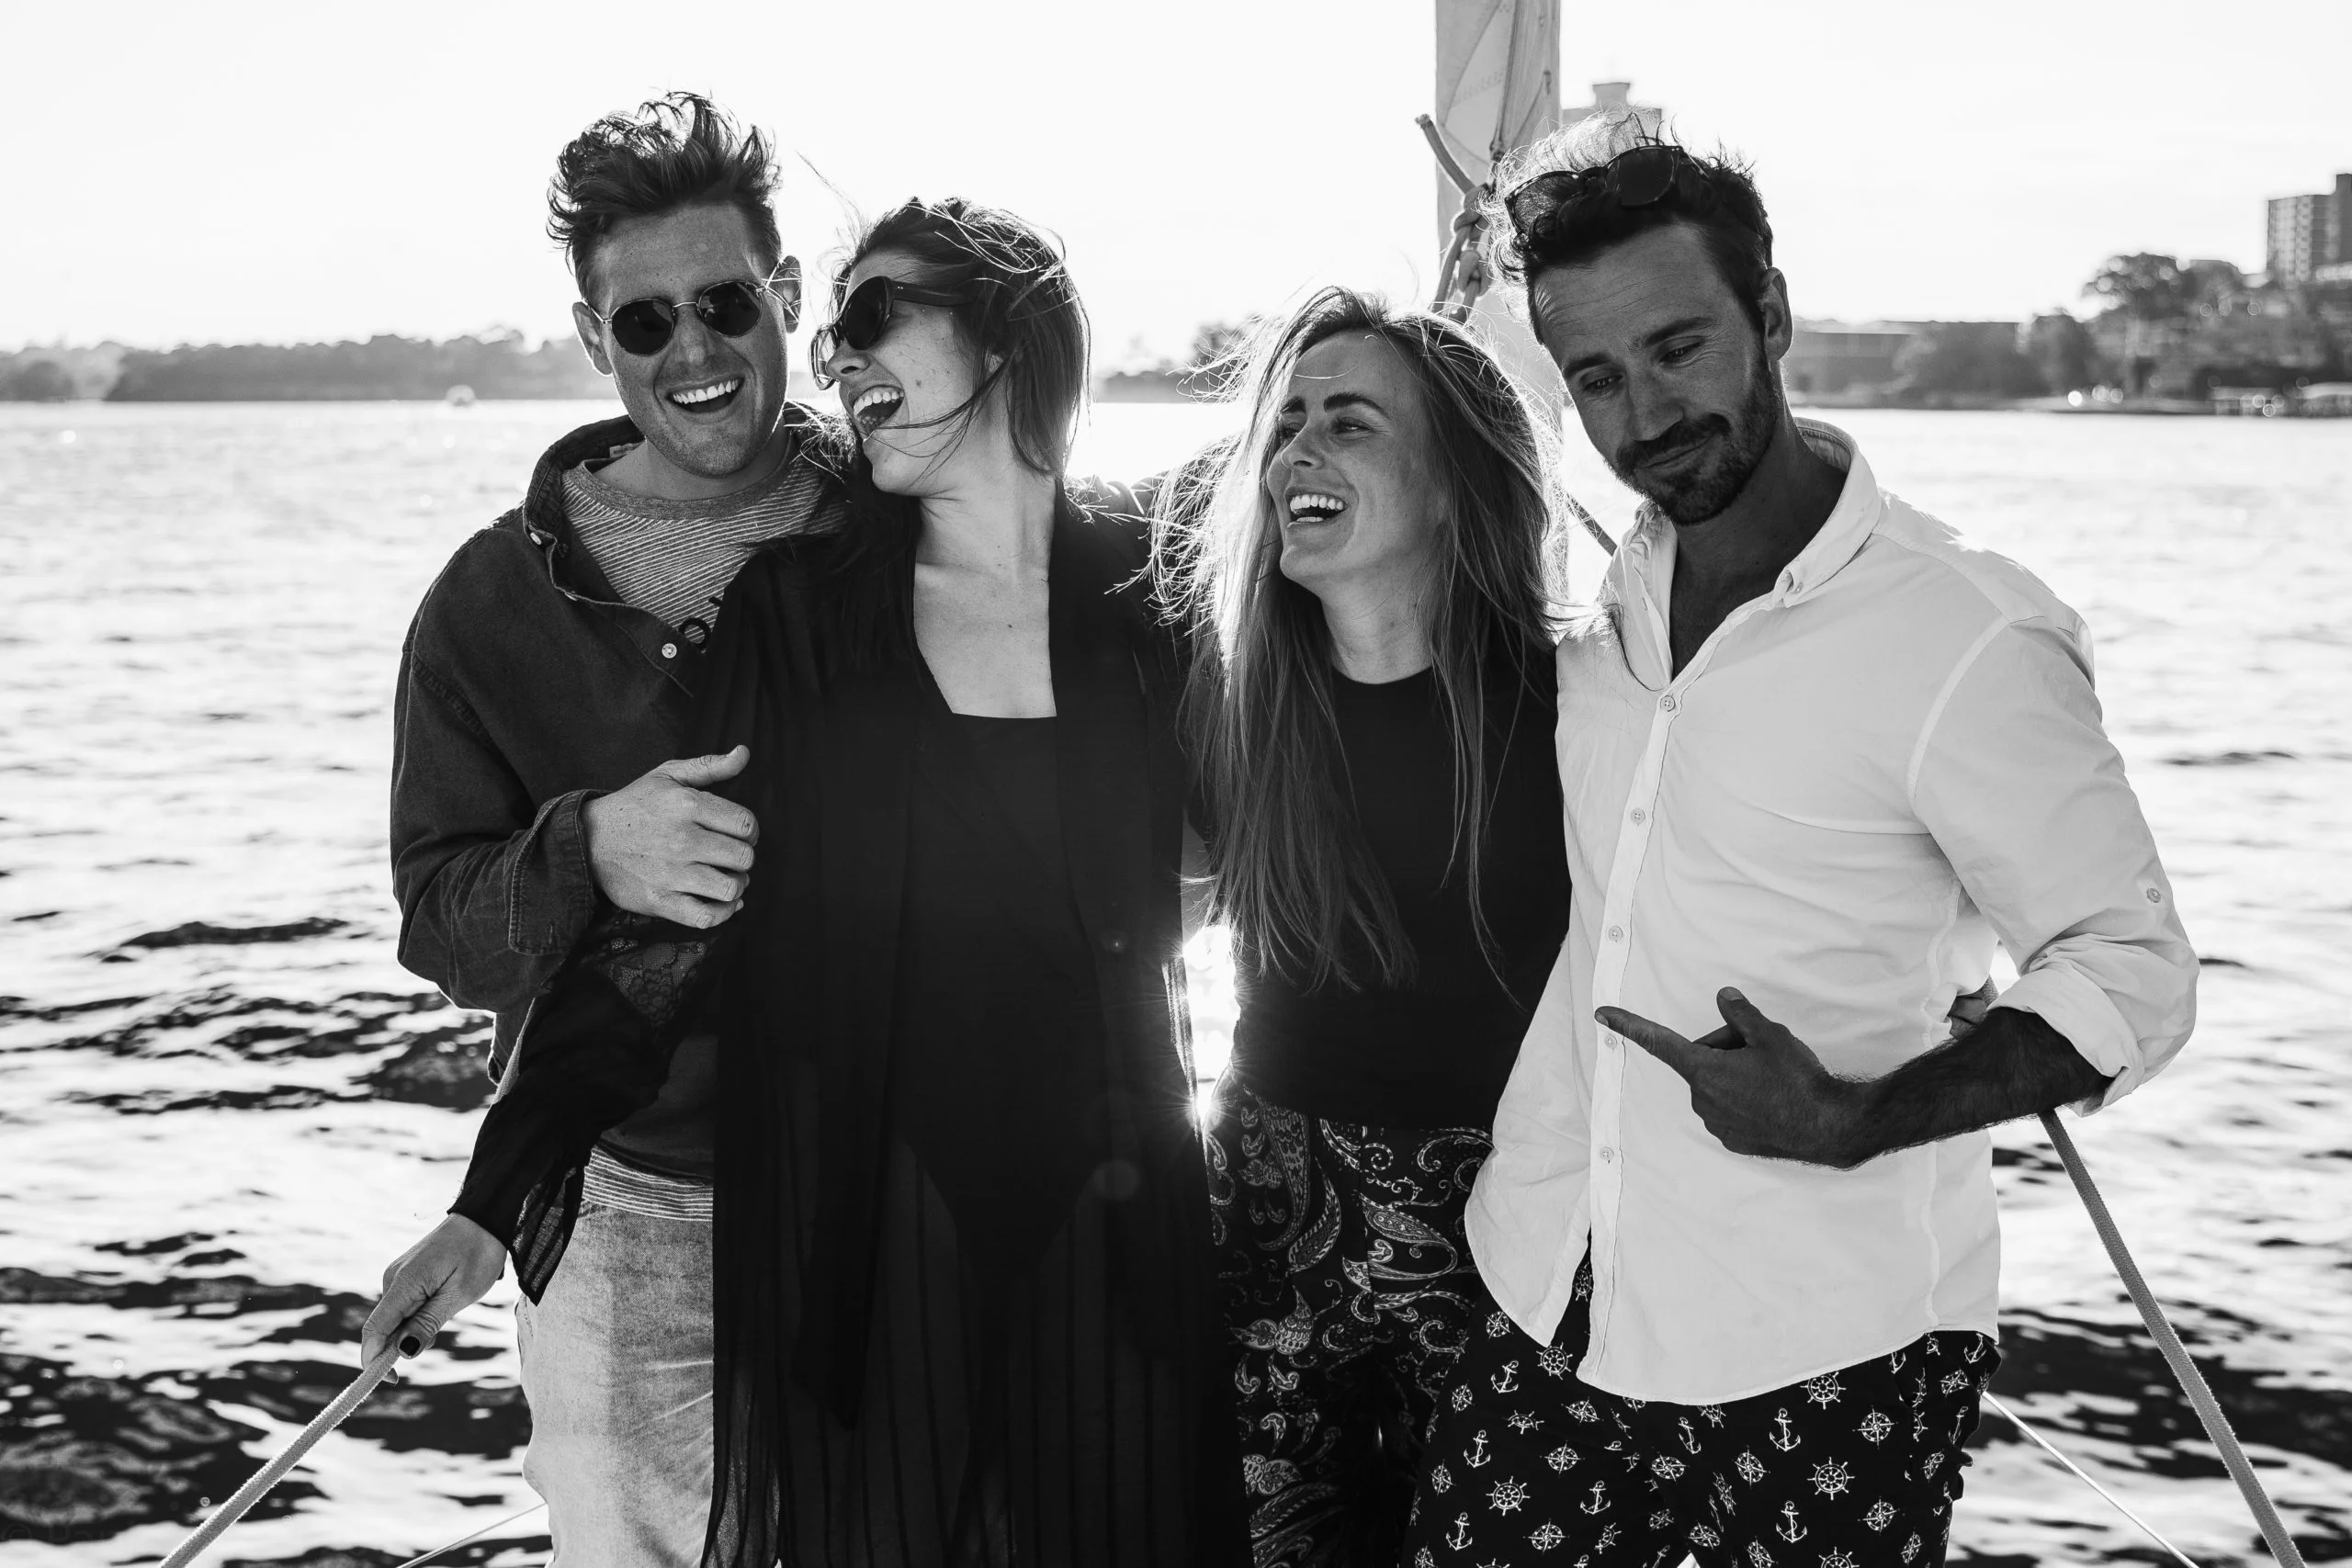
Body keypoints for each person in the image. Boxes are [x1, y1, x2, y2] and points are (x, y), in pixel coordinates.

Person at [1404, 115, 2198, 1568]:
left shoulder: (1966, 631)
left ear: (1771, 314)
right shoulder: (1605, 605)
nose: (1647, 413)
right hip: (1548, 1281)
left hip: (1831, 1350)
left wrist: (1853, 1117)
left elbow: (2135, 973)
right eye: (1597, 377)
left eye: (1680, 347)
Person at [425, 197, 1250, 1567]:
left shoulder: (1151, 594)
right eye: (837, 330)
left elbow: (1273, 845)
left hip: (1119, 1224)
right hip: (884, 1234)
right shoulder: (801, 612)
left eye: (873, 315)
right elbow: (673, 943)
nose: (838, 356)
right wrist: (492, 1195)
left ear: (1006, 330)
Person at [360, 94, 844, 1561]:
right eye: (645, 322)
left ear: (787, 296)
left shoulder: (901, 522)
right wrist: (592, 849)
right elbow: (439, 924)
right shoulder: (485, 603)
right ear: (592, 339)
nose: (694, 350)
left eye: (726, 303)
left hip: (899, 1177)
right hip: (629, 1209)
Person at [1164, 288, 1570, 1565]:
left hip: (1510, 1239)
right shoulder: (1236, 707)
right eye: (1285, 424)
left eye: (1350, 422)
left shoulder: (1582, 707)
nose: (1297, 452)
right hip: (1270, 1230)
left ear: (1454, 485)